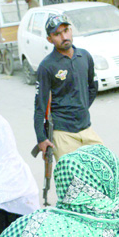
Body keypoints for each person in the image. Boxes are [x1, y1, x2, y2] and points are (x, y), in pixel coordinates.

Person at [34, 14, 102, 161]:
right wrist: (41, 138)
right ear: (49, 39)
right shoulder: (46, 66)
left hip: (86, 128)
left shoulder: (84, 56)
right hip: (62, 134)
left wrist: (81, 108)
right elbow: (40, 106)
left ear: (71, 31)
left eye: (66, 30)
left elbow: (93, 86)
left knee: (103, 167)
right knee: (72, 180)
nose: (64, 36)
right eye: (57, 34)